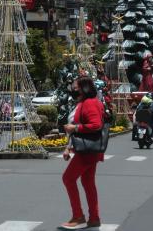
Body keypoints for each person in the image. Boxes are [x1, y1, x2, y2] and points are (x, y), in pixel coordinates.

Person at [61, 76, 104, 229]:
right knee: (88, 183)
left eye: (76, 87)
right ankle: (94, 218)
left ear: (83, 88)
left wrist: (75, 128)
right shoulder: (86, 102)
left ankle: (78, 215)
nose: (73, 89)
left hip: (87, 151)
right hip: (88, 149)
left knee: (68, 178)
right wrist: (68, 147)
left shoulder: (90, 103)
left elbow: (96, 125)